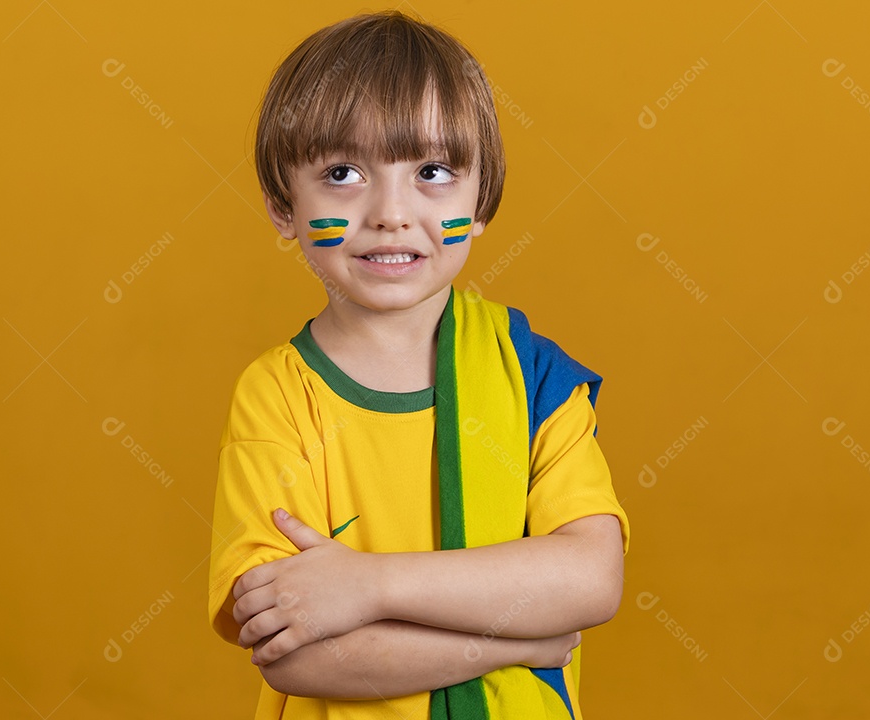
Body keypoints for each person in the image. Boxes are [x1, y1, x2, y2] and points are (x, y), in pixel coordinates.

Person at [208, 10, 629, 719]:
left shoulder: (532, 372)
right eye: (342, 173)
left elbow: (591, 578)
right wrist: (513, 642)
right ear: (284, 207)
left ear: (482, 198)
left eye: (432, 172)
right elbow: (297, 656)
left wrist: (365, 587)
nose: (391, 213)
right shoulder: (276, 397)